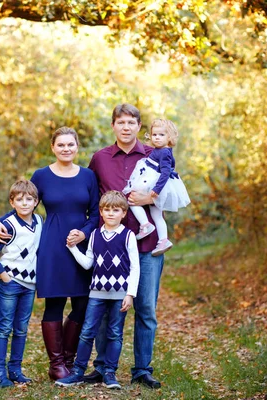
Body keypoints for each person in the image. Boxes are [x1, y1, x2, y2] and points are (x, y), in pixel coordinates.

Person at [0, 127, 100, 380]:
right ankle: (56, 366)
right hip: (52, 245)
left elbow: (95, 213)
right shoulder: (41, 176)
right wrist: (0, 221)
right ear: (52, 147)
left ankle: (68, 360)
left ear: (77, 147)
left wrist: (84, 233)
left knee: (82, 304)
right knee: (55, 302)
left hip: (81, 246)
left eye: (70, 145)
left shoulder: (88, 176)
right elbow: (24, 204)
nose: (66, 149)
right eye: (60, 145)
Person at [85, 103, 164, 389]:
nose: (126, 127)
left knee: (145, 309)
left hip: (147, 245)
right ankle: (104, 367)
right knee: (108, 308)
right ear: (113, 126)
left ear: (139, 126)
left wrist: (150, 199)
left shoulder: (156, 154)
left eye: (131, 122)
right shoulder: (100, 159)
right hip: (109, 248)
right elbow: (91, 201)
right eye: (121, 122)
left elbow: (173, 196)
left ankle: (142, 369)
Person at [55, 191, 139, 390]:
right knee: (87, 332)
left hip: (120, 293)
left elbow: (135, 267)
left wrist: (130, 294)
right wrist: (73, 248)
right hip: (96, 293)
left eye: (115, 210)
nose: (111, 214)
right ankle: (77, 372)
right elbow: (88, 263)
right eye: (107, 210)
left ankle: (109, 372)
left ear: (123, 213)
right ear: (101, 212)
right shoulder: (94, 235)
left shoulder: (128, 236)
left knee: (115, 334)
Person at [0, 179, 42, 388]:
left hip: (30, 285)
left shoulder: (39, 221)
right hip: (11, 283)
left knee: (21, 329)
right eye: (20, 199)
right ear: (12, 202)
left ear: (36, 202)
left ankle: (15, 369)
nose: (25, 203)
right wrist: (4, 277)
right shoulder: (8, 225)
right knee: (4, 328)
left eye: (29, 199)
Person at [123, 118, 191, 256]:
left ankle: (145, 225)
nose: (157, 138)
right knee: (157, 214)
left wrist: (156, 189)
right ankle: (163, 240)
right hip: (152, 180)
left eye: (161, 135)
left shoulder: (165, 152)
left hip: (153, 182)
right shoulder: (161, 150)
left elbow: (166, 172)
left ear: (169, 137)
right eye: (155, 135)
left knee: (132, 198)